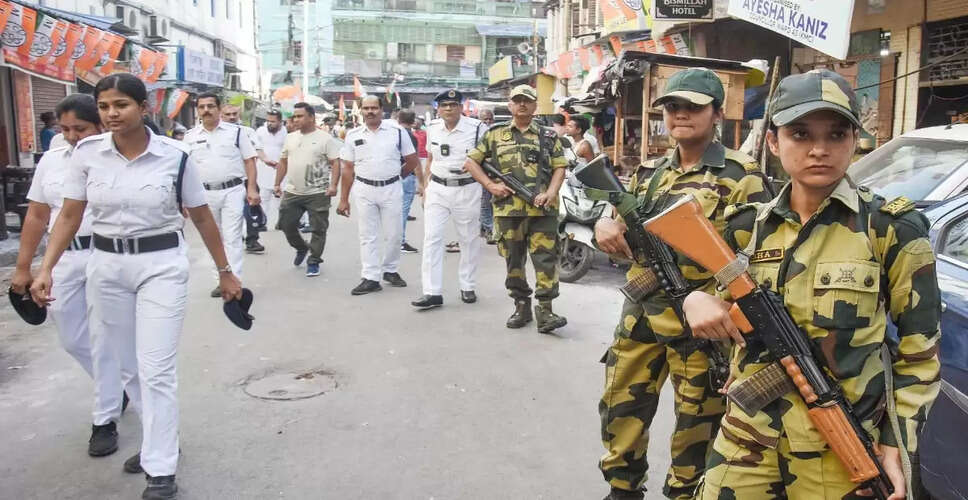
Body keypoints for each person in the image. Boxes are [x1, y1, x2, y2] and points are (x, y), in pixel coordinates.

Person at [680, 69, 940, 500]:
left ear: (855, 140)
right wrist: (697, 299)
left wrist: (898, 443)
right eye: (800, 133)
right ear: (773, 142)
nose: (819, 149)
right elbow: (720, 303)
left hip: (838, 447)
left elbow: (920, 352)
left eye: (836, 134)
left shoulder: (891, 229)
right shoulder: (747, 228)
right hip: (747, 438)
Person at [29, 72, 243, 500]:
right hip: (106, 266)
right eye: (105, 106)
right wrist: (45, 267)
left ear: (143, 108)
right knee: (126, 365)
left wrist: (225, 270)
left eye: (121, 105)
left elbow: (200, 216)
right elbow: (69, 214)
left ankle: (161, 468)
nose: (111, 114)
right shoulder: (87, 154)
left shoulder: (176, 155)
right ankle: (157, 440)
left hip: (160, 265)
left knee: (155, 366)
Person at [593, 67, 774, 500]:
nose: (680, 114)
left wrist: (717, 302)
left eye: (693, 106)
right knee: (620, 408)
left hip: (701, 328)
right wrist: (604, 223)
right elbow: (622, 225)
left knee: (696, 427)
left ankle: (684, 494)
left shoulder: (742, 176)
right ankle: (623, 488)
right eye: (672, 106)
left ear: (717, 113)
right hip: (641, 316)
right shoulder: (650, 171)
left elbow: (759, 257)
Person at [11, 94, 131, 458]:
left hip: (104, 254)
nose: (71, 136)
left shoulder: (114, 159)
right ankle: (119, 387)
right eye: (64, 129)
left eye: (79, 128)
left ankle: (104, 419)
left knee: (101, 336)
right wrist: (24, 267)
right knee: (72, 338)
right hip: (62, 257)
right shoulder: (52, 159)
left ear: (98, 125)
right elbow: (36, 215)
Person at [464, 84, 569, 334]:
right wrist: (491, 185)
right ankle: (521, 305)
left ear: (535, 106)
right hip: (508, 211)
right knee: (514, 261)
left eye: (527, 100)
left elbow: (560, 167)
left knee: (546, 260)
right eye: (517, 100)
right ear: (510, 105)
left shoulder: (548, 135)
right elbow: (470, 163)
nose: (522, 104)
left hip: (542, 210)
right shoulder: (494, 134)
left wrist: (551, 193)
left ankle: (545, 311)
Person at [411, 89, 487, 310]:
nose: (448, 109)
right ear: (438, 108)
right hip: (438, 188)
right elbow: (431, 158)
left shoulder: (476, 129)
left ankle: (468, 285)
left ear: (461, 107)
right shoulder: (433, 128)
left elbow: (487, 160)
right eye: (444, 105)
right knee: (432, 239)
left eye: (453, 105)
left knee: (468, 240)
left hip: (467, 188)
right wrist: (425, 187)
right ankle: (432, 292)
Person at [338, 95, 420, 295]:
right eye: (366, 108)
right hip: (364, 189)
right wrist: (343, 199)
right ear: (361, 111)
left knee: (394, 234)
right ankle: (370, 277)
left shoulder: (397, 132)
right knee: (368, 235)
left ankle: (390, 270)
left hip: (391, 188)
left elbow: (412, 160)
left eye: (374, 107)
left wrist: (396, 176)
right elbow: (347, 168)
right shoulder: (353, 135)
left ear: (381, 109)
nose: (370, 111)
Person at [185, 92, 260, 297]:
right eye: (202, 107)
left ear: (219, 109)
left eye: (210, 106)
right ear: (198, 111)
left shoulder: (236, 133)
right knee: (212, 237)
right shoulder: (190, 137)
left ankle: (235, 279)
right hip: (204, 194)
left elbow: (249, 161)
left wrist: (251, 188)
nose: (206, 110)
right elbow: (185, 169)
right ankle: (220, 280)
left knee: (232, 236)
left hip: (233, 190)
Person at [273, 102, 342, 277]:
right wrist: (277, 184)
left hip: (318, 192)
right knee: (286, 225)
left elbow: (335, 163)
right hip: (293, 191)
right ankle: (301, 247)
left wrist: (333, 185)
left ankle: (314, 260)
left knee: (318, 229)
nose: (295, 119)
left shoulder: (325, 138)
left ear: (311, 117)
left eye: (300, 116)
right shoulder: (290, 137)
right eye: (294, 116)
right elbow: (283, 161)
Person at [254, 110, 288, 226]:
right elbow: (256, 148)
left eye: (273, 121)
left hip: (281, 169)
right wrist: (265, 160)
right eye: (268, 121)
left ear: (280, 122)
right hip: (263, 169)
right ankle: (262, 222)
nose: (269, 123)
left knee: (280, 198)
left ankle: (280, 222)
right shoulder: (260, 131)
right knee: (263, 197)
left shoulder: (286, 132)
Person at [397, 109, 423, 254]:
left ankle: (395, 240)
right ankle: (400, 241)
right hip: (406, 175)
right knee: (403, 210)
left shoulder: (393, 132)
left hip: (395, 175)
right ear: (413, 121)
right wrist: (421, 182)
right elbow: (414, 160)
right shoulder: (409, 136)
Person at [477, 108, 496, 244]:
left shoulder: (496, 133)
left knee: (491, 203)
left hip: (495, 174)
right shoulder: (476, 134)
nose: (488, 122)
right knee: (484, 203)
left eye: (490, 119)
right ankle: (488, 229)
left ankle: (486, 227)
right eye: (485, 119)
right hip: (481, 174)